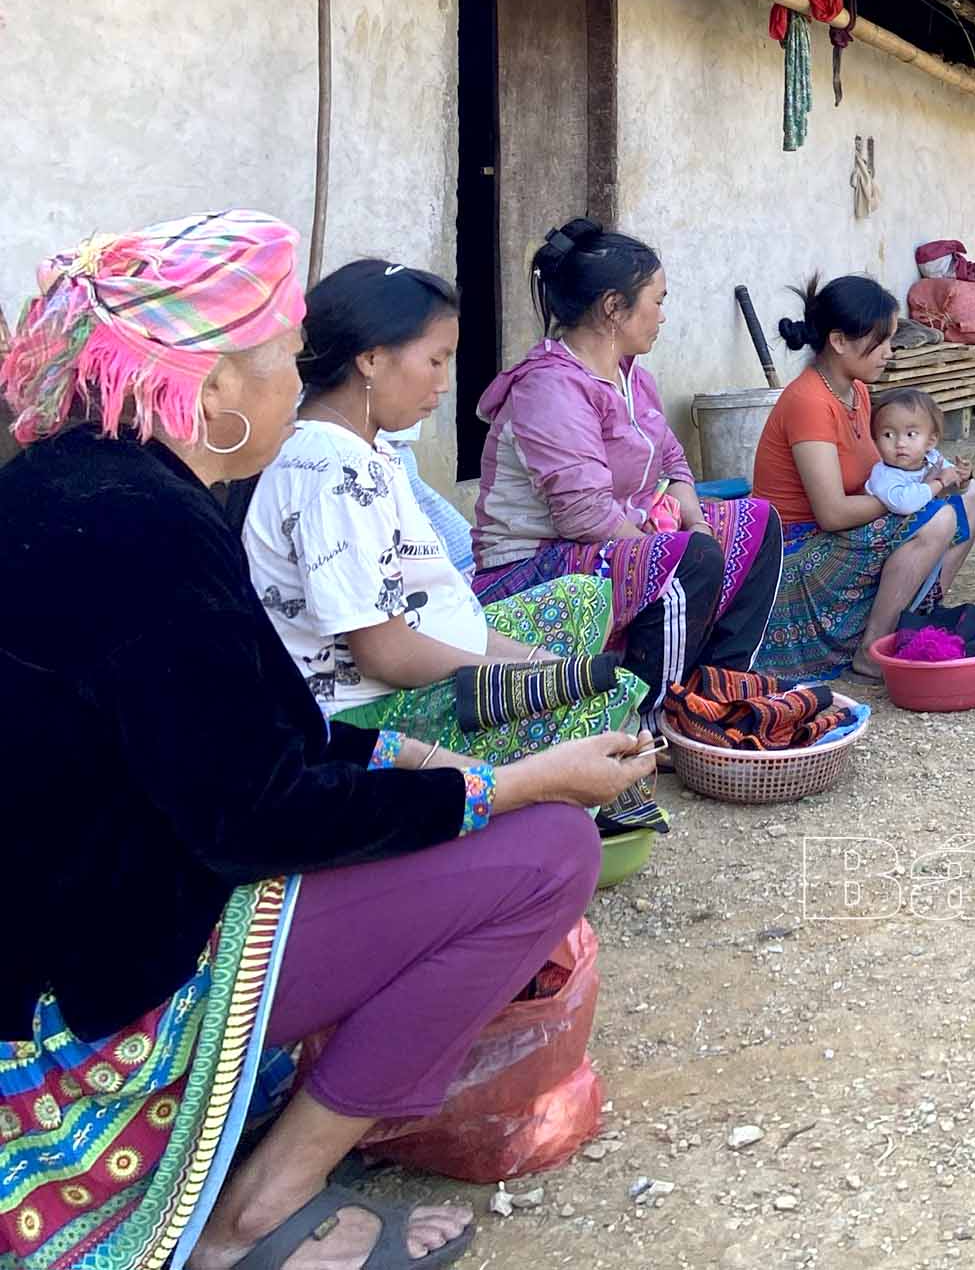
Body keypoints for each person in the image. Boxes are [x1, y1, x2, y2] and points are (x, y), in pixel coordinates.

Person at [0, 211, 656, 1270]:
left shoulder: (79, 483)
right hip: (89, 974)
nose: (291, 380)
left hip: (70, 905)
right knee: (551, 857)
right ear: (214, 386)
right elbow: (254, 812)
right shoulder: (149, 528)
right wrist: (517, 788)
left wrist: (428, 766)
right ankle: (257, 1210)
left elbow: (250, 731)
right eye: (277, 358)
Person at [238, 259, 655, 825]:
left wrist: (537, 661)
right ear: (371, 359)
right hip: (367, 716)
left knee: (580, 601)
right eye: (435, 361)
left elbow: (428, 608)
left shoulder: (365, 452)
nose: (443, 383)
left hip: (420, 660)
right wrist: (527, 676)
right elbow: (386, 652)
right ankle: (540, 804)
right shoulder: (333, 469)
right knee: (603, 695)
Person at [473, 219, 781, 706]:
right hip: (534, 568)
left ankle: (716, 689)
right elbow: (583, 515)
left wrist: (696, 524)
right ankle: (651, 711)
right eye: (657, 301)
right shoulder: (549, 387)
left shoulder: (631, 379)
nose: (662, 315)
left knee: (756, 521)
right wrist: (669, 552)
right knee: (689, 559)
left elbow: (675, 462)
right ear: (614, 307)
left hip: (606, 548)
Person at [749, 275, 975, 683]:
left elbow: (883, 471)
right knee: (938, 517)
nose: (888, 354)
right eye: (880, 342)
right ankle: (873, 649)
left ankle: (912, 622)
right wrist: (916, 493)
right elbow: (833, 513)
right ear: (839, 341)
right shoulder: (809, 401)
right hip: (795, 552)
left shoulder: (855, 390)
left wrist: (937, 475)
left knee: (973, 495)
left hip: (841, 531)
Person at [864, 386, 971, 534]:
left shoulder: (932, 459)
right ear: (875, 442)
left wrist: (963, 477)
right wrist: (939, 482)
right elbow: (905, 504)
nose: (900, 443)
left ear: (931, 441)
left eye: (911, 434)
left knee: (962, 499)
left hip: (912, 532)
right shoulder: (884, 474)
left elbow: (951, 483)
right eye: (888, 435)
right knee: (940, 514)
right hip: (881, 538)